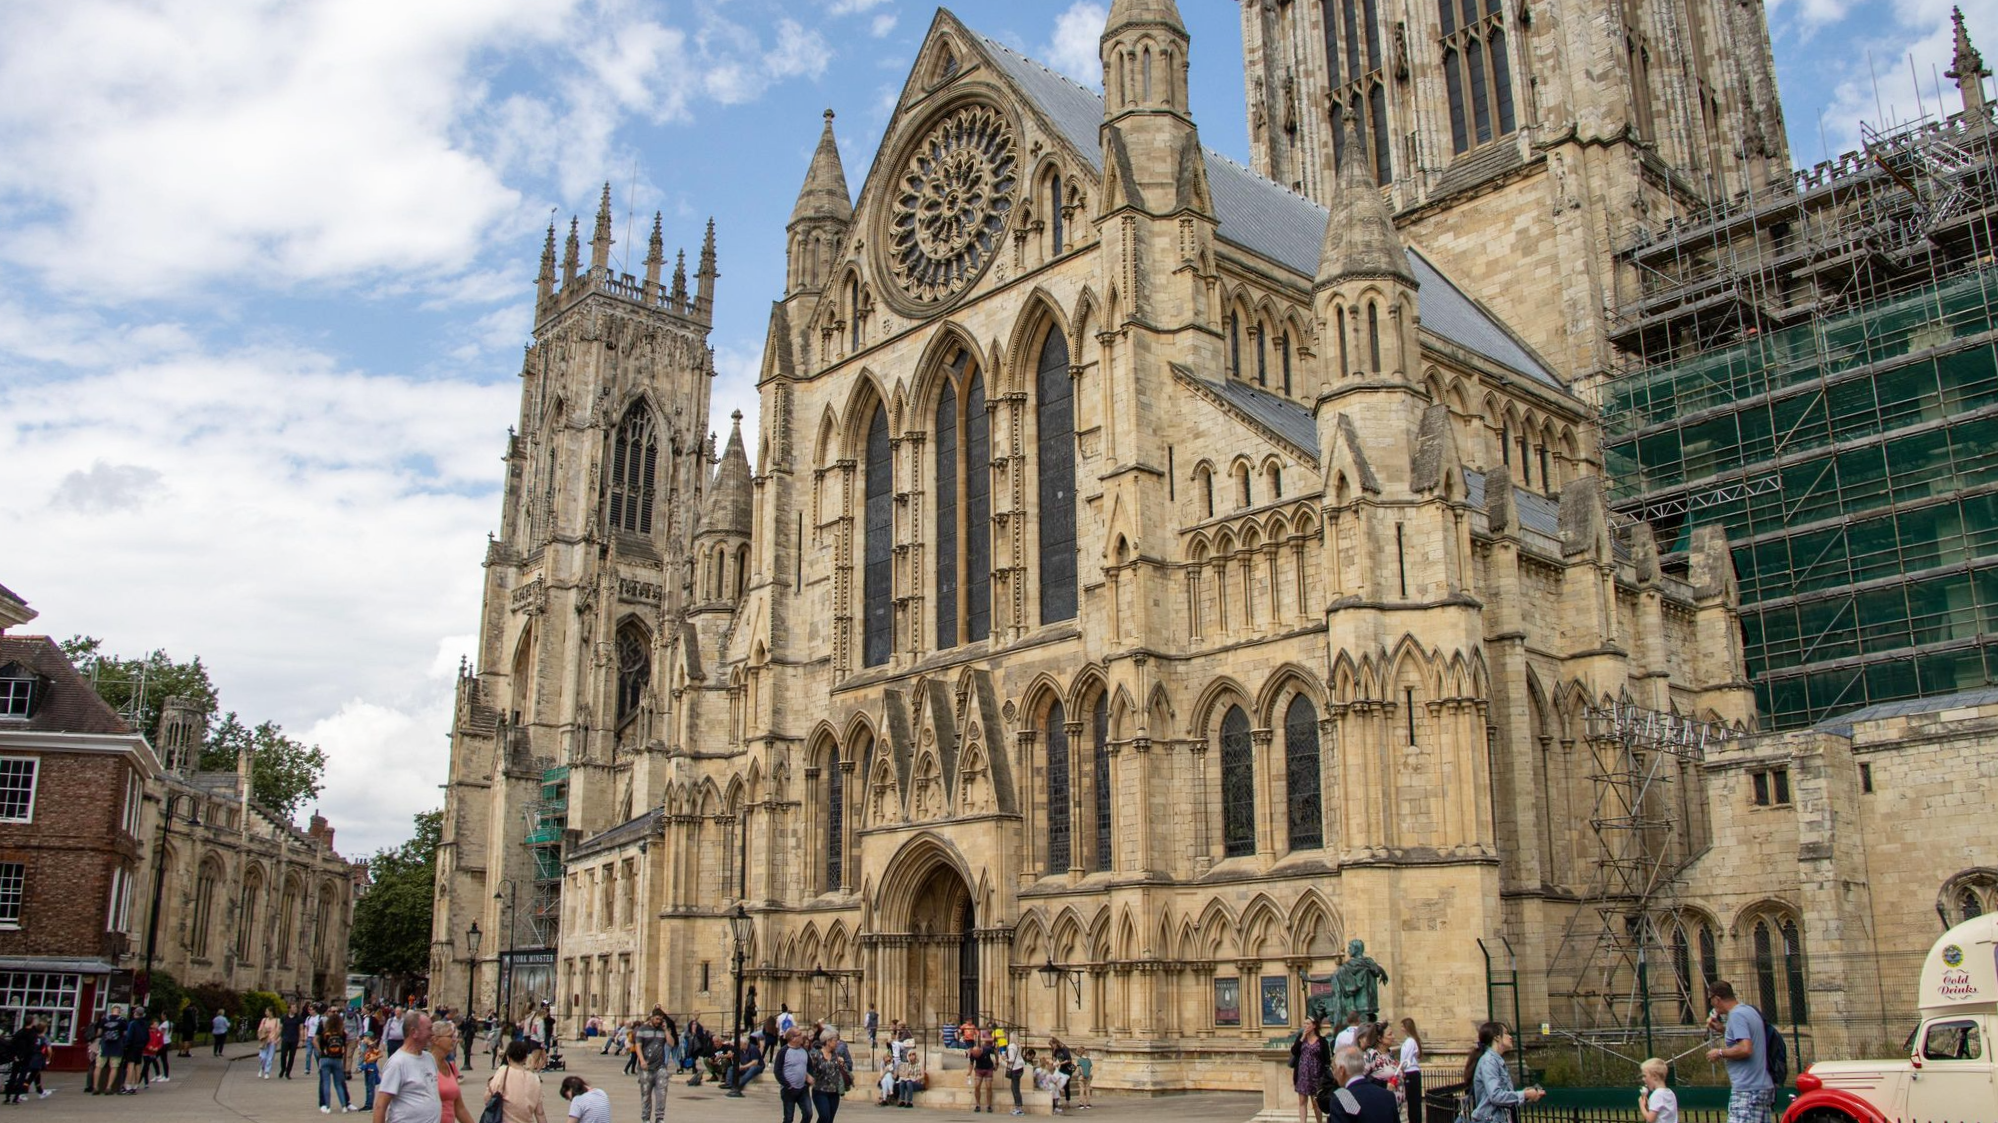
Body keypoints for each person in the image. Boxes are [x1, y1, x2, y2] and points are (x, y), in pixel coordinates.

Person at [1704, 981, 1774, 1123]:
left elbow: (1745, 1048)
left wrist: (1719, 1052)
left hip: (1747, 1089)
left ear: (1717, 999)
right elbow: (1748, 1038)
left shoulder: (1736, 1016)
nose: (1712, 1005)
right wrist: (1722, 1029)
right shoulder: (1749, 1011)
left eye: (1710, 1000)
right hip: (1762, 1086)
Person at [1461, 1023, 1543, 1123]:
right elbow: (1495, 1096)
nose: (1510, 1037)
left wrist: (1527, 1094)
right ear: (1497, 1038)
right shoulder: (1489, 1061)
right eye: (1506, 1033)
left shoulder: (1496, 1061)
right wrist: (1524, 1095)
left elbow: (1502, 1097)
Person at [373, 1012, 441, 1123]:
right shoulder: (397, 1063)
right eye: (429, 1029)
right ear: (414, 1032)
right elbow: (380, 1106)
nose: (432, 1033)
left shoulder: (430, 1058)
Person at [1325, 1047, 1399, 1123]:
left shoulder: (1342, 1098)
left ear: (1342, 1070)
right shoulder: (1387, 1095)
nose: (1333, 1074)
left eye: (1333, 1068)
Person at [488, 1040, 549, 1123]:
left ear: (508, 1057)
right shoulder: (535, 1079)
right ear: (525, 1058)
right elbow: (540, 1113)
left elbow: (487, 1098)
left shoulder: (502, 1072)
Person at [430, 1019, 477, 1123]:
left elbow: (459, 1108)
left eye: (454, 1037)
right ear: (435, 1040)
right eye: (450, 1036)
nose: (454, 1040)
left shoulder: (450, 1067)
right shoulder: (426, 1067)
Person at [632, 1008, 675, 1123]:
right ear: (652, 1018)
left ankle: (659, 1118)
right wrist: (641, 1060)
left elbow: (671, 1043)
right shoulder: (642, 1029)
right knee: (646, 1094)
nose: (658, 1021)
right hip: (646, 1067)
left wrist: (666, 1031)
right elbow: (638, 1046)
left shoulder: (662, 1030)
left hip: (660, 1067)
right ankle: (646, 1118)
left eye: (660, 1019)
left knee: (662, 1093)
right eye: (657, 1019)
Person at [1291, 1016, 1332, 1123]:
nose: (1305, 1026)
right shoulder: (1301, 1038)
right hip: (1303, 1074)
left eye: (1308, 1024)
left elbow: (1327, 1059)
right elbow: (1294, 1051)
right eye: (1304, 1024)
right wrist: (1302, 1037)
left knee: (1316, 1102)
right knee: (1302, 1100)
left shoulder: (1321, 1041)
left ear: (1314, 1026)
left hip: (1317, 1075)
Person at [775, 1027, 817, 1123]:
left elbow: (809, 1066)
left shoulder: (804, 1051)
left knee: (808, 1113)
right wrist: (787, 1085)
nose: (802, 1036)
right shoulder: (783, 1052)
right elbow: (777, 1071)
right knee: (789, 1118)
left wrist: (809, 1077)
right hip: (789, 1090)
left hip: (803, 1089)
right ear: (793, 1038)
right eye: (799, 1034)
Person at [319, 1010, 355, 1114]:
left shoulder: (325, 1033)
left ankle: (327, 1106)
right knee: (338, 1084)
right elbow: (345, 1044)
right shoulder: (342, 1033)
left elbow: (321, 1045)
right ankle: (344, 1106)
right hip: (337, 1059)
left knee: (326, 1083)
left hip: (325, 1058)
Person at [811, 1033, 852, 1123]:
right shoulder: (816, 1055)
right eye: (835, 1041)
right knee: (824, 1116)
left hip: (834, 1092)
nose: (837, 1042)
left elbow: (849, 1066)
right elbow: (810, 1069)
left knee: (830, 1119)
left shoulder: (836, 1055)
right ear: (828, 1042)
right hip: (820, 1091)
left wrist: (843, 1064)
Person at [1399, 1019, 1424, 1123]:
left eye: (1402, 1026)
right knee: (1412, 1102)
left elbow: (1406, 1058)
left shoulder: (1410, 1041)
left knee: (1413, 1102)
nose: (1401, 1029)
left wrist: (1401, 1069)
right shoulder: (1410, 1040)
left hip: (1411, 1072)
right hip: (1410, 1072)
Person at [1639, 1058, 1679, 1123]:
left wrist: (1642, 1106)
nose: (1643, 1079)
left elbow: (1650, 1119)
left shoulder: (1657, 1095)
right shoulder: (1670, 1093)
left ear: (1654, 1076)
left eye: (1645, 1076)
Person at [968, 1027, 997, 1113]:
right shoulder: (973, 1053)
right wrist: (969, 1071)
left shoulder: (987, 1049)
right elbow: (971, 1063)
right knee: (977, 1086)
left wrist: (997, 1063)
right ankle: (977, 1105)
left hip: (988, 1068)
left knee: (989, 1087)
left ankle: (989, 1105)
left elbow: (995, 1051)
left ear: (980, 1051)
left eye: (978, 1056)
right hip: (979, 1069)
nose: (977, 1057)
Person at [728, 1032, 765, 1096]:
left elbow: (755, 1062)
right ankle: (730, 1085)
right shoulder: (740, 1050)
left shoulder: (753, 1048)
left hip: (756, 1066)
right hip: (745, 1066)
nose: (738, 1046)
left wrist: (743, 1067)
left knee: (752, 1069)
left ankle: (740, 1085)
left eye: (740, 1044)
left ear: (745, 1044)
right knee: (731, 1068)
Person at [1049, 1037, 1076, 1114]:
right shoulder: (1055, 1049)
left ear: (1056, 1044)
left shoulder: (1065, 1049)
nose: (1052, 1048)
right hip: (1059, 1069)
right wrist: (1054, 1063)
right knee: (1054, 1083)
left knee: (1065, 1085)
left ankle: (1067, 1102)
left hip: (1067, 1070)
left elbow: (1068, 1060)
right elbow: (1054, 1058)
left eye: (1053, 1046)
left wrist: (1059, 1063)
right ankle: (1055, 1101)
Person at [1003, 1032, 1026, 1116]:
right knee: (1015, 1088)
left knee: (1015, 1089)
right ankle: (1018, 1107)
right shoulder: (1018, 1046)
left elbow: (1012, 1059)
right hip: (1020, 1068)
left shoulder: (1011, 1046)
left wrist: (1005, 1059)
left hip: (1015, 1069)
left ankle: (1019, 1108)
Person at [360, 1033, 383, 1112]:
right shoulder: (369, 1047)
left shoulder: (373, 1046)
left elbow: (380, 1054)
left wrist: (371, 1060)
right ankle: (367, 1104)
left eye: (364, 1038)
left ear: (368, 1038)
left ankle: (369, 1105)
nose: (363, 1040)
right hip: (368, 1067)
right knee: (368, 1086)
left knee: (370, 1087)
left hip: (371, 1068)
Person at [283, 1005, 308, 1079]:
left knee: (291, 1056)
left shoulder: (299, 1018)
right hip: (285, 1038)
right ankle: (283, 1068)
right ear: (289, 1009)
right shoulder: (284, 1017)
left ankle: (288, 1072)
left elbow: (301, 1029)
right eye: (294, 1007)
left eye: (296, 1007)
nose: (295, 1009)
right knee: (283, 1055)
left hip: (294, 1039)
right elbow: (281, 1027)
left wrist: (301, 1040)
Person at [260, 1008, 283, 1079]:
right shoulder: (264, 1020)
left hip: (273, 1041)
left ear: (271, 1012)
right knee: (262, 1057)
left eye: (267, 1011)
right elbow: (260, 1029)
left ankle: (267, 1072)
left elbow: (279, 1030)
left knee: (270, 1057)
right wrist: (261, 1037)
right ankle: (262, 1068)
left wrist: (276, 1039)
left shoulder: (277, 1020)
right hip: (264, 1040)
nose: (265, 1012)